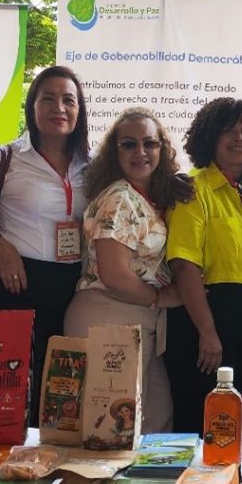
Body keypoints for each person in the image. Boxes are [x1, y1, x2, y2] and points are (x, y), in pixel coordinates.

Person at [165, 98, 242, 440]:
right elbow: (184, 266)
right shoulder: (193, 190)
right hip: (213, 317)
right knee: (207, 420)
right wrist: (207, 332)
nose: (239, 138)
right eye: (229, 131)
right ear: (210, 138)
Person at [0, 65, 90, 421]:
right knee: (8, 393)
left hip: (73, 290)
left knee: (62, 395)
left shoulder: (93, 165)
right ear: (32, 106)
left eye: (68, 100)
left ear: (79, 110)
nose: (59, 107)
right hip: (16, 284)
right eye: (48, 98)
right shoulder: (4, 158)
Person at [65, 107, 183, 433]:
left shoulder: (145, 197)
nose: (141, 152)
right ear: (113, 152)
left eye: (150, 143)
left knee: (155, 425)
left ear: (162, 147)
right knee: (107, 435)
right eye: (128, 144)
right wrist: (162, 298)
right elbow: (115, 276)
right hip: (108, 318)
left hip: (136, 323)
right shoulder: (119, 199)